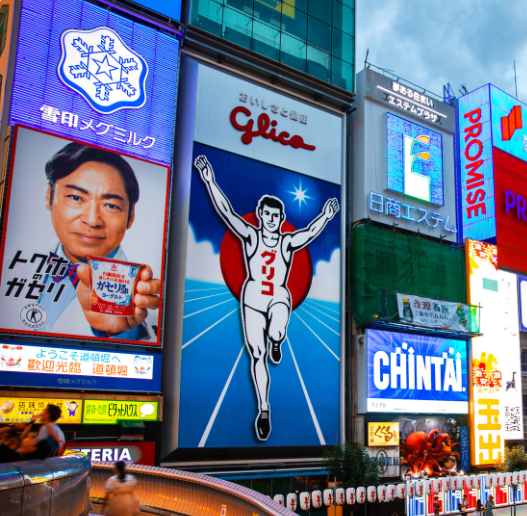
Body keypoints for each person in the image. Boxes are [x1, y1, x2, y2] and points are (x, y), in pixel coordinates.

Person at [194, 155, 339, 441]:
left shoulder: (286, 242)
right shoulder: (250, 235)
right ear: (260, 215)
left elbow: (309, 233)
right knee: (256, 355)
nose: (271, 220)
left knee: (278, 329)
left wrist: (326, 215)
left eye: (276, 216)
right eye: (267, 215)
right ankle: (263, 408)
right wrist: (209, 180)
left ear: (281, 219)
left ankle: (277, 340)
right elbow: (227, 213)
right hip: (252, 297)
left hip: (278, 296)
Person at [23, 142, 161, 341]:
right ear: (49, 195)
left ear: (130, 216)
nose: (92, 220)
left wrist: (118, 332)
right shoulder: (13, 268)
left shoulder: (148, 297)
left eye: (111, 205)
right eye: (75, 197)